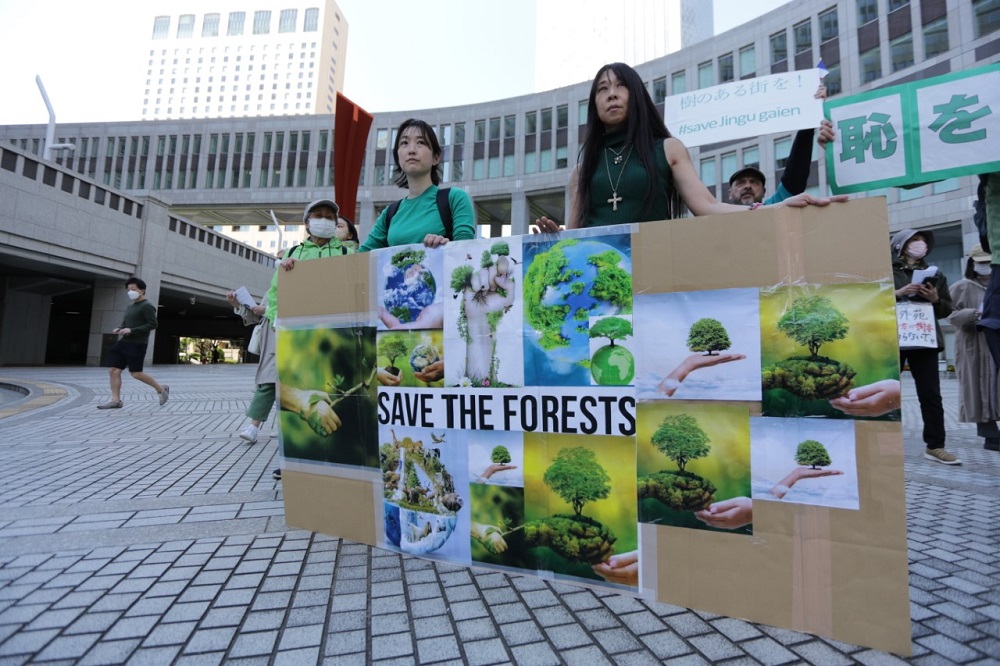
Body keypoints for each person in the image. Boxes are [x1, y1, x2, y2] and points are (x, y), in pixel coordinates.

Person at [533, 63, 846, 233]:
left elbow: (707, 207)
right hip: (592, 276)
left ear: (637, 95)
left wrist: (773, 207)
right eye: (602, 89)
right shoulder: (580, 169)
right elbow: (573, 237)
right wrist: (553, 240)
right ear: (594, 104)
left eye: (620, 86)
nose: (611, 94)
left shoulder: (668, 149)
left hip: (650, 274)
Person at [235, 198, 354, 481]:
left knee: (336, 393)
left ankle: (337, 456)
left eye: (330, 216)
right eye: (318, 215)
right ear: (307, 223)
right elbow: (275, 293)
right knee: (296, 398)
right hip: (298, 338)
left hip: (334, 336)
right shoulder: (291, 254)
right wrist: (278, 318)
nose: (324, 220)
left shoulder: (349, 253)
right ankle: (294, 459)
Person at [891, 229, 958, 464]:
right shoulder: (887, 270)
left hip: (924, 339)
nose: (920, 245)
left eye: (923, 242)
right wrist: (897, 293)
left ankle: (935, 446)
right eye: (914, 241)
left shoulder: (934, 273)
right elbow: (872, 300)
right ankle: (881, 444)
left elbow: (946, 310)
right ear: (901, 245)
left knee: (931, 395)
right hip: (893, 338)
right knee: (888, 392)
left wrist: (935, 299)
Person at [360, 118, 476, 251]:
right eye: (404, 143)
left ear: (435, 158)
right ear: (398, 157)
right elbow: (360, 259)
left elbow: (467, 252)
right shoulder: (390, 213)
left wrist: (446, 247)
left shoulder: (455, 198)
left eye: (420, 142)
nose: (411, 150)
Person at [727, 86, 834, 207]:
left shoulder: (775, 206)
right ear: (730, 193)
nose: (748, 186)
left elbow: (795, 171)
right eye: (740, 183)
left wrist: (811, 110)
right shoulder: (713, 216)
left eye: (754, 182)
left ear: (764, 192)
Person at [947, 244, 999, 451]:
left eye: (988, 262)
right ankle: (990, 434)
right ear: (972, 263)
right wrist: (972, 314)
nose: (985, 266)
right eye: (981, 262)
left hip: (995, 341)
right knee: (977, 386)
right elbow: (949, 314)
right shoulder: (961, 286)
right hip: (973, 343)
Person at [97, 277, 170, 409]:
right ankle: (116, 400)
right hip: (123, 342)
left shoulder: (147, 306)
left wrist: (132, 330)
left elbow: (153, 324)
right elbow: (126, 323)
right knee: (113, 370)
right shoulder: (130, 306)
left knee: (136, 373)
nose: (130, 291)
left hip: (137, 344)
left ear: (142, 291)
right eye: (128, 289)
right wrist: (120, 328)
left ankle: (161, 389)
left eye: (133, 289)